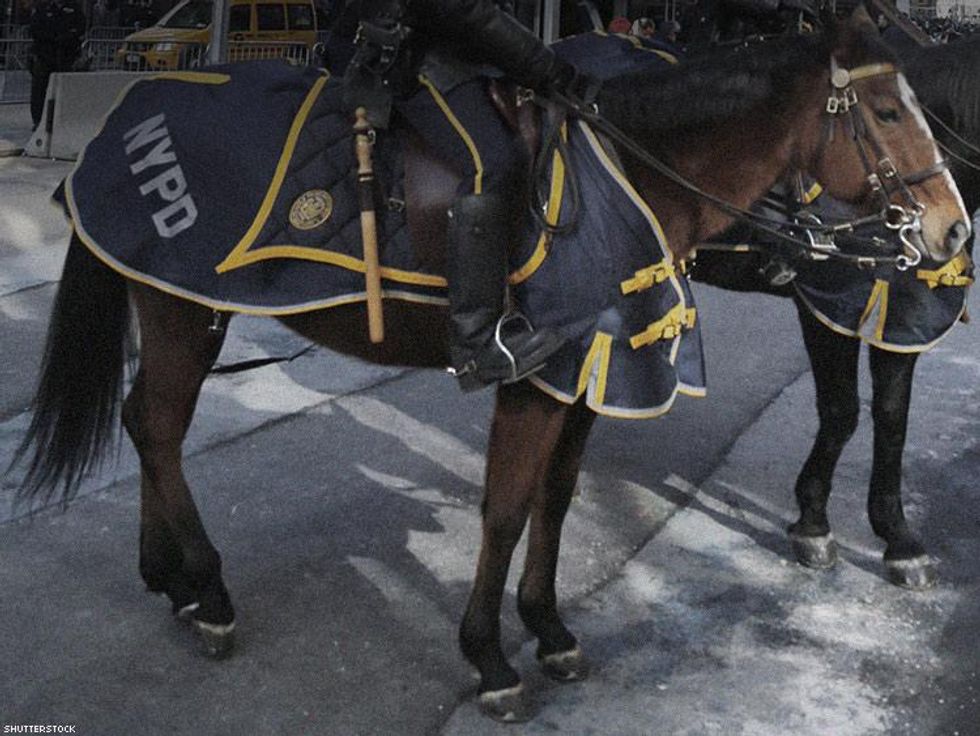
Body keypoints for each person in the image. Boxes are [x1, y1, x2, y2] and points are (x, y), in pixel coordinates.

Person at [344, 0, 598, 391]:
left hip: (456, 54)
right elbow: (468, 11)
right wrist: (549, 69)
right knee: (491, 162)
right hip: (416, 61)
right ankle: (477, 343)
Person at [29, 0, 86, 128]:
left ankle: (61, 120)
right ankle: (38, 120)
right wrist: (52, 38)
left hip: (66, 56)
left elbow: (80, 28)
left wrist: (66, 37)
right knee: (40, 90)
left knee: (64, 90)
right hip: (44, 56)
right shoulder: (42, 8)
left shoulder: (74, 8)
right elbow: (35, 29)